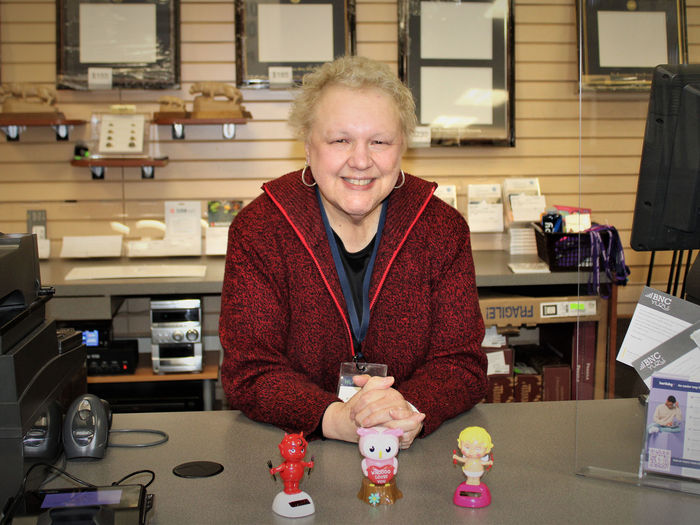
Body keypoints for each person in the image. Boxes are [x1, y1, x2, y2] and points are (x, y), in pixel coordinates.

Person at [219, 55, 486, 449]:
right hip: (294, 454)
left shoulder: (442, 228)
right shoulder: (260, 229)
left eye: (379, 141)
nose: (361, 161)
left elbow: (462, 363)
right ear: (308, 146)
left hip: (412, 452)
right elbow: (249, 371)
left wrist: (407, 409)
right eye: (340, 140)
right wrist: (334, 418)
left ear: (401, 149)